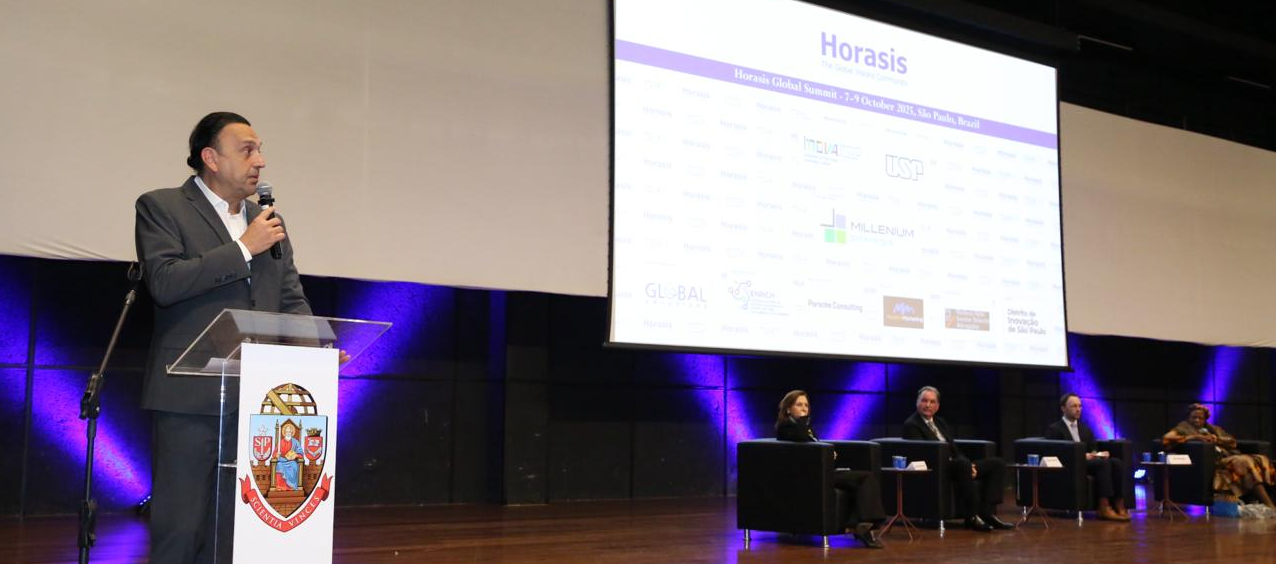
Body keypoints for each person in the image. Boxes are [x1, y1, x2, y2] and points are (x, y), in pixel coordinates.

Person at [136, 112, 312, 563]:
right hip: (188, 395)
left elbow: (289, 299)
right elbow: (165, 283)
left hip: (257, 401)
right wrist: (242, 248)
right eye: (248, 150)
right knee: (181, 527)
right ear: (211, 158)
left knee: (235, 529)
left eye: (260, 150)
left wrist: (316, 354)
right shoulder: (162, 207)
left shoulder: (268, 221)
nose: (261, 161)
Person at [775, 390, 885, 549]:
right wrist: (823, 451)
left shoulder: (805, 427)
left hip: (823, 471)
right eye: (799, 405)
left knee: (865, 478)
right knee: (865, 478)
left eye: (806, 405)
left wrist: (827, 454)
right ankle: (864, 525)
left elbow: (813, 444)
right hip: (809, 476)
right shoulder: (786, 428)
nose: (804, 409)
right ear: (788, 409)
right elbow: (802, 442)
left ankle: (862, 524)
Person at [902, 386, 1012, 532]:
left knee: (997, 464)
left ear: (937, 406)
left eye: (932, 402)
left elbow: (954, 448)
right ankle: (972, 516)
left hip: (958, 466)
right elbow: (922, 453)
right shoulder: (912, 425)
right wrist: (962, 463)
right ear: (917, 402)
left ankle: (987, 512)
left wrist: (970, 466)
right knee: (962, 464)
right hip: (937, 468)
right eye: (924, 401)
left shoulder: (940, 422)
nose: (927, 405)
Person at [1162, 403, 1276, 509]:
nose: (1197, 420)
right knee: (1245, 461)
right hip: (1214, 461)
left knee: (1261, 458)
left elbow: (1233, 442)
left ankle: (1266, 500)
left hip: (1228, 455)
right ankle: (1269, 504)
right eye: (1194, 417)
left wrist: (1217, 439)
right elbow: (1166, 439)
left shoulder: (1213, 429)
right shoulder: (1183, 428)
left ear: (1205, 419)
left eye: (1200, 418)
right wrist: (1194, 437)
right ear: (1188, 417)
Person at [1043, 393, 1130, 521]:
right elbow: (1056, 452)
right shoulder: (1054, 429)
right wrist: (1082, 455)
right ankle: (1103, 507)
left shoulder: (1084, 429)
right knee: (1103, 464)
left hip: (1089, 462)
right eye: (1074, 406)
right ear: (1063, 408)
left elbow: (1093, 447)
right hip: (1071, 464)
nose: (1078, 409)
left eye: (1080, 406)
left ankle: (1119, 504)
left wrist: (1098, 454)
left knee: (1115, 462)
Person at [275, 421, 304, 491]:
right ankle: (281, 486)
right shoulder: (281, 442)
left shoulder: (295, 442)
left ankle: (291, 486)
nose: (288, 433)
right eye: (287, 431)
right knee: (279, 465)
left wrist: (296, 455)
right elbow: (275, 452)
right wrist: (277, 455)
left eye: (290, 432)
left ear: (292, 432)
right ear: (284, 432)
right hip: (282, 460)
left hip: (292, 461)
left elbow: (300, 452)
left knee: (294, 465)